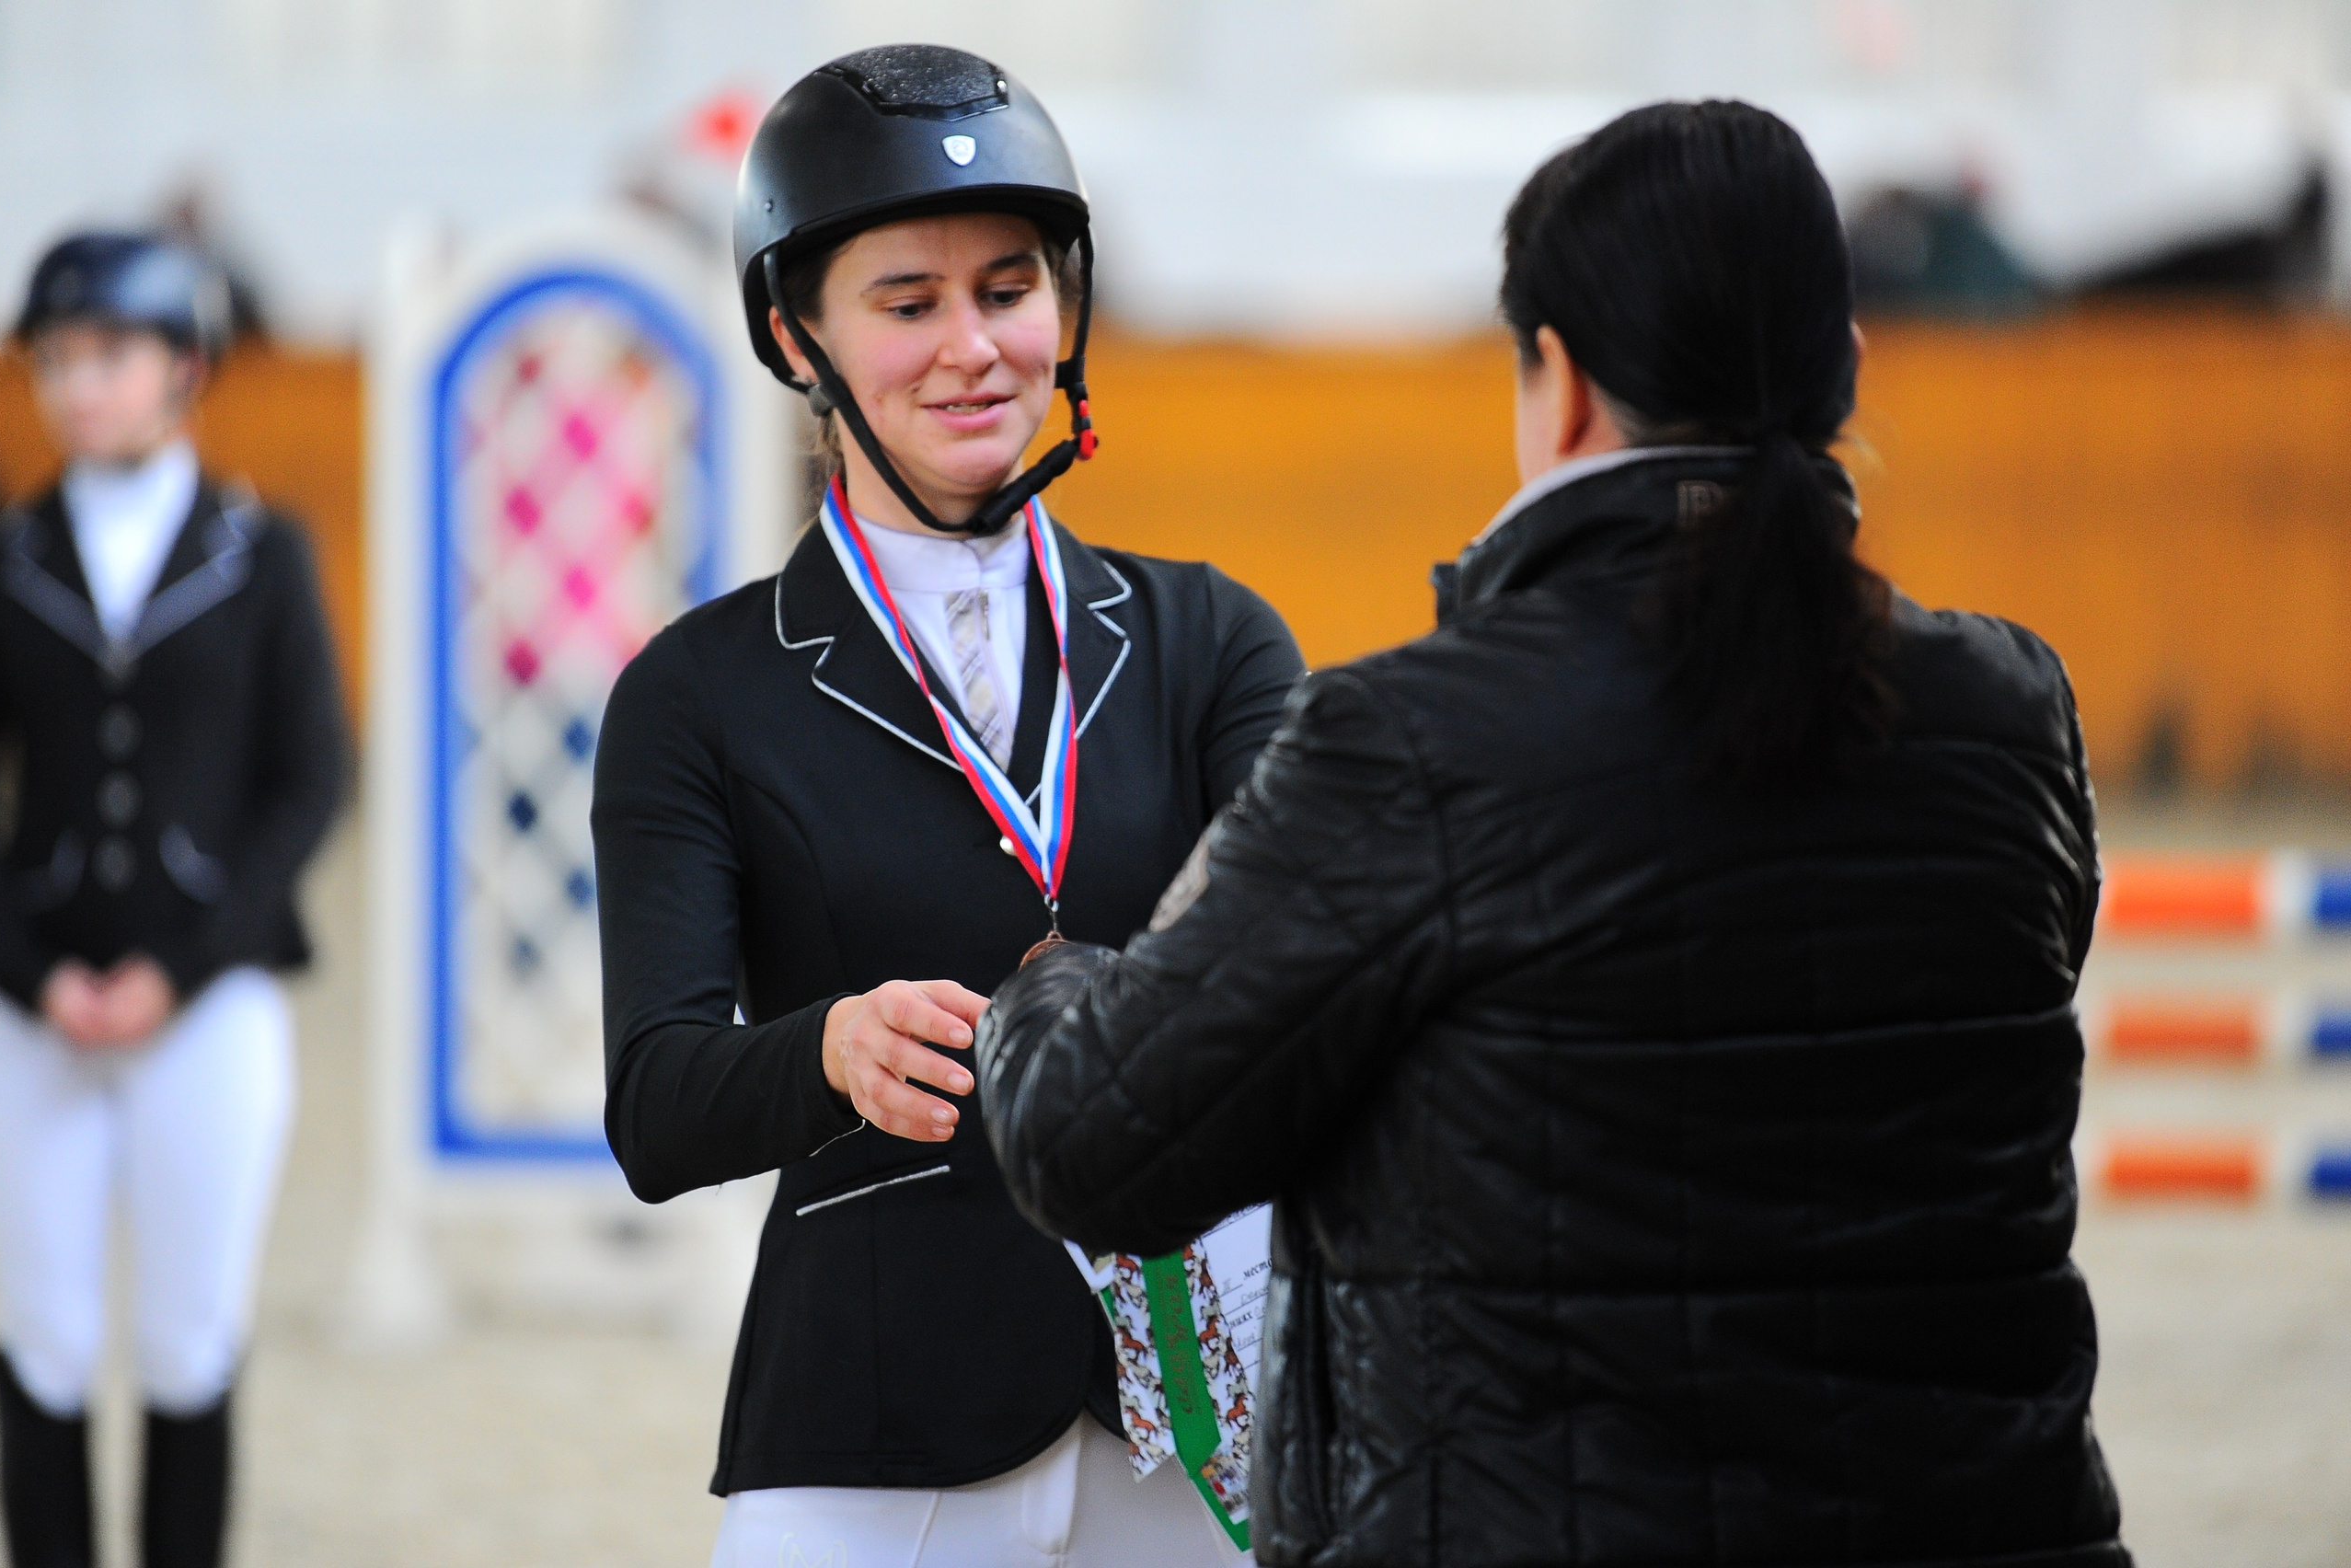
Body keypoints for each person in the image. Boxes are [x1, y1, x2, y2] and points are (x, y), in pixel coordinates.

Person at [976, 100, 2130, 1568]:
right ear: (1843, 367)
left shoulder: (1410, 746)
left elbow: (1096, 1146)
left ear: (1560, 380)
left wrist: (1055, 978)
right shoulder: (2012, 709)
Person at [590, 44, 1304, 1568]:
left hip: (1195, 1397)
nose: (975, 347)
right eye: (908, 304)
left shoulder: (1214, 642)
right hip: (871, 1398)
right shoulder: (693, 694)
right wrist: (829, 1048)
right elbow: (655, 1104)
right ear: (798, 334)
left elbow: (1315, 988)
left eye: (1009, 288)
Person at [0, 232, 348, 1568]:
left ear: (183, 368)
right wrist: (35, 975)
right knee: (45, 1336)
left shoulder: (263, 552)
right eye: (56, 359)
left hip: (211, 996)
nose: (78, 384)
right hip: (35, 1002)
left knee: (189, 1337)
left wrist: (182, 966)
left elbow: (312, 777)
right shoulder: (10, 553)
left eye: (108, 356)